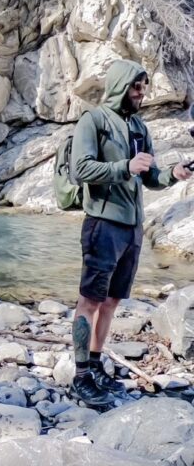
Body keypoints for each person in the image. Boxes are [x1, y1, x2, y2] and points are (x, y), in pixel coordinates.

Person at [69, 58, 192, 406]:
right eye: (136, 87)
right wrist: (125, 166)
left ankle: (95, 366)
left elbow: (150, 177)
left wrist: (173, 174)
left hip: (132, 229)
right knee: (90, 301)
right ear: (121, 86)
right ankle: (79, 377)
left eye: (144, 86)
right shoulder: (93, 121)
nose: (142, 93)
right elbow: (81, 168)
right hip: (102, 224)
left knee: (112, 301)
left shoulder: (139, 127)